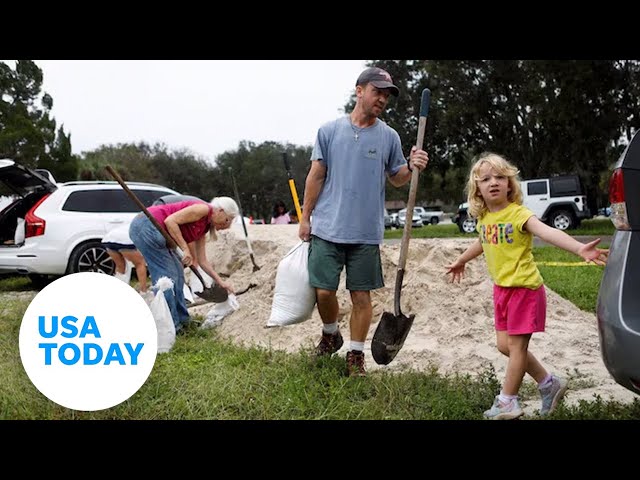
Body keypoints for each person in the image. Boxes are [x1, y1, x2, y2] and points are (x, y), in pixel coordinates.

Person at [445, 152, 608, 419]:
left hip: (524, 290)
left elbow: (548, 232)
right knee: (504, 345)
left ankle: (507, 401)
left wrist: (580, 248)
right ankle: (548, 383)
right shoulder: (485, 218)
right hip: (502, 291)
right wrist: (461, 260)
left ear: (510, 184)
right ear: (477, 189)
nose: (493, 182)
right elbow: (483, 241)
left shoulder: (519, 214)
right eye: (486, 179)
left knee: (517, 347)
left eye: (500, 177)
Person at [298, 66, 429, 377]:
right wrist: (305, 217)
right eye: (377, 91)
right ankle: (331, 333)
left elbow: (398, 178)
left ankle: (355, 356)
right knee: (324, 292)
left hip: (366, 232)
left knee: (361, 296)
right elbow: (316, 175)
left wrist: (411, 166)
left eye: (386, 95)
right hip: (328, 227)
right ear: (359, 91)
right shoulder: (329, 131)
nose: (382, 99)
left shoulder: (388, 136)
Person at [129, 196, 239, 331]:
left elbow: (202, 261)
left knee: (178, 275)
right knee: (167, 278)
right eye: (228, 219)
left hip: (157, 232)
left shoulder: (203, 227)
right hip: (147, 225)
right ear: (220, 211)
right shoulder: (203, 209)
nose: (227, 225)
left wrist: (221, 282)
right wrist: (185, 249)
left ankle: (183, 320)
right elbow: (170, 221)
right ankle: (170, 326)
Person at [102, 223, 148, 293]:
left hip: (108, 240)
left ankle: (118, 290)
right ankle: (143, 291)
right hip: (125, 240)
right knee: (140, 263)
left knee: (120, 266)